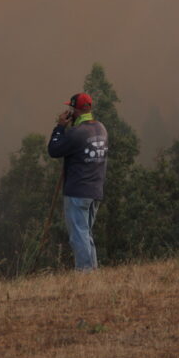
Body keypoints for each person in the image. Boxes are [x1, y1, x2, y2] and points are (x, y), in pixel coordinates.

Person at [47, 92, 108, 272]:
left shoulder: (76, 133)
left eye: (71, 108)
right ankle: (92, 270)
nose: (69, 111)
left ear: (77, 110)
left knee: (78, 235)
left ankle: (85, 272)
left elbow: (54, 150)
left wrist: (59, 127)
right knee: (86, 233)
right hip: (95, 191)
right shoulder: (101, 129)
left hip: (77, 192)